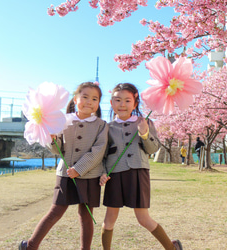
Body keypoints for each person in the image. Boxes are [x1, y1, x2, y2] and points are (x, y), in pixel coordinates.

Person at [19, 82, 108, 250]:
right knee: (56, 211)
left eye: (94, 99)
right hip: (65, 174)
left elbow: (98, 151)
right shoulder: (62, 121)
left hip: (89, 176)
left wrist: (79, 169)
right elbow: (57, 149)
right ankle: (30, 246)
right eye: (85, 97)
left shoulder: (101, 125)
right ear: (75, 99)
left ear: (98, 104)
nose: (89, 101)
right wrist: (52, 139)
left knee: (86, 215)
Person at [100, 83, 183, 250]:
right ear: (111, 103)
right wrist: (102, 172)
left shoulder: (145, 122)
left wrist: (144, 133)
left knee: (143, 218)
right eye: (118, 100)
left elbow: (153, 149)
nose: (122, 104)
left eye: (127, 100)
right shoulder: (106, 128)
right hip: (113, 175)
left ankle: (171, 248)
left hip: (138, 174)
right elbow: (101, 155)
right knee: (110, 218)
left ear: (135, 104)